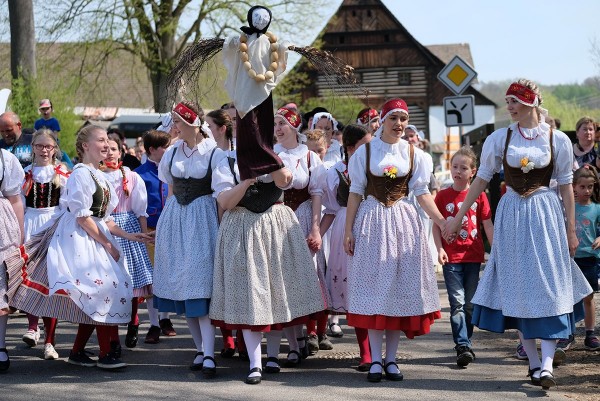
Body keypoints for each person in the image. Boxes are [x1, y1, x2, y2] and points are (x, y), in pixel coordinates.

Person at [442, 80, 592, 390]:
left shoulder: (557, 140)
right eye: (508, 101)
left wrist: (571, 230)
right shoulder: (500, 138)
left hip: (546, 214)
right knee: (520, 286)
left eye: (515, 102)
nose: (509, 107)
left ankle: (548, 363)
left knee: (549, 285)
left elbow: (565, 186)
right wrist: (457, 217)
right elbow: (481, 180)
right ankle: (535, 365)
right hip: (512, 215)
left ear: (532, 104)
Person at [6, 125, 151, 370]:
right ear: (85, 146)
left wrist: (129, 235)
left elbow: (104, 218)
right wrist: (106, 243)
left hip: (96, 235)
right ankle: (106, 352)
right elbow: (82, 217)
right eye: (101, 140)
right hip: (80, 240)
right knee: (102, 291)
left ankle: (78, 351)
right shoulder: (80, 174)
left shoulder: (100, 175)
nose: (106, 145)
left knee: (99, 294)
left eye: (107, 141)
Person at [209, 133, 325, 385]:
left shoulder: (278, 159)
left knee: (276, 292)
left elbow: (286, 181)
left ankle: (272, 356)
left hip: (274, 226)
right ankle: (255, 362)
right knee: (249, 295)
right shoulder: (226, 162)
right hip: (241, 227)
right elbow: (226, 201)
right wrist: (247, 180)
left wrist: (268, 161)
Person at [344, 98, 443, 383]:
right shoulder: (364, 153)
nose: (399, 124)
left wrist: (441, 221)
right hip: (372, 221)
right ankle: (375, 360)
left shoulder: (416, 155)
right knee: (375, 288)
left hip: (402, 222)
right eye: (393, 119)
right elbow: (355, 193)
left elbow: (422, 193)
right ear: (382, 122)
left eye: (403, 119)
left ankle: (391, 360)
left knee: (397, 290)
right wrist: (348, 230)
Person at [152, 101, 226, 378]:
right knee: (183, 288)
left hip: (203, 216)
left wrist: (219, 226)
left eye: (178, 122)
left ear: (193, 123)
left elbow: (220, 194)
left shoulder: (213, 153)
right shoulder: (172, 152)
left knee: (200, 287)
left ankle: (209, 353)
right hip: (176, 219)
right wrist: (164, 226)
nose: (174, 127)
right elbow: (171, 189)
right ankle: (200, 349)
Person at [433, 146, 494, 367]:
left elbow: (486, 223)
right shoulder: (442, 196)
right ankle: (462, 345)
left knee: (469, 304)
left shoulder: (479, 196)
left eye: (463, 167)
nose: (458, 171)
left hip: (473, 256)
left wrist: (494, 249)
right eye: (454, 166)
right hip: (451, 258)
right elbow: (436, 226)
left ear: (473, 171)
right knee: (457, 303)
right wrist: (439, 248)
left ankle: (467, 341)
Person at [321, 123, 372, 370]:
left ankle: (377, 349)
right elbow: (330, 209)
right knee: (353, 289)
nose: (370, 149)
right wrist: (317, 235)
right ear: (350, 148)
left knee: (372, 286)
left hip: (374, 225)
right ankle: (366, 352)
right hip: (345, 227)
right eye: (364, 145)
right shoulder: (335, 172)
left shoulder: (377, 169)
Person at [20, 129, 69, 360]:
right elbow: (19, 204)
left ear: (54, 148)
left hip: (53, 225)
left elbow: (67, 206)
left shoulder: (62, 173)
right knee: (29, 280)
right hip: (30, 223)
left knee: (51, 283)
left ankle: (50, 340)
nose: (44, 150)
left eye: (48, 146)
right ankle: (32, 326)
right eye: (39, 146)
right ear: (33, 148)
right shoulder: (25, 173)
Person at [103, 134, 154, 352]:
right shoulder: (96, 176)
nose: (110, 153)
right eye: (106, 149)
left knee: (132, 280)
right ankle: (112, 334)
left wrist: (143, 237)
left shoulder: (131, 177)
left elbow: (140, 210)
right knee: (109, 284)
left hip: (129, 228)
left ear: (121, 151)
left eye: (114, 149)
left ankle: (133, 320)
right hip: (105, 228)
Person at [133, 129, 175, 343]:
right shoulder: (140, 174)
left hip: (170, 229)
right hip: (150, 230)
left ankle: (166, 318)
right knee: (152, 278)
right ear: (152, 150)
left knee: (167, 274)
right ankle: (154, 323)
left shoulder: (174, 171)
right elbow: (138, 207)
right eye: (164, 147)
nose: (168, 151)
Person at [569, 165, 600, 350]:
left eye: (590, 187)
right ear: (574, 186)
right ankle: (568, 333)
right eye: (582, 187)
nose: (587, 191)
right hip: (572, 259)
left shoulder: (596, 208)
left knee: (588, 298)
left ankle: (590, 333)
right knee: (570, 298)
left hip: (590, 259)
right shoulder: (569, 207)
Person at [0, 145, 25, 372]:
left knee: (0, 291)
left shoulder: (5, 158)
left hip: (1, 228)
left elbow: (15, 199)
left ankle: (0, 346)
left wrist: (20, 235)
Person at [0, 111, 73, 169]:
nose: (6, 135)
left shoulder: (35, 141)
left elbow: (63, 159)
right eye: (2, 131)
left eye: (9, 130)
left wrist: (64, 166)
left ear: (19, 125)